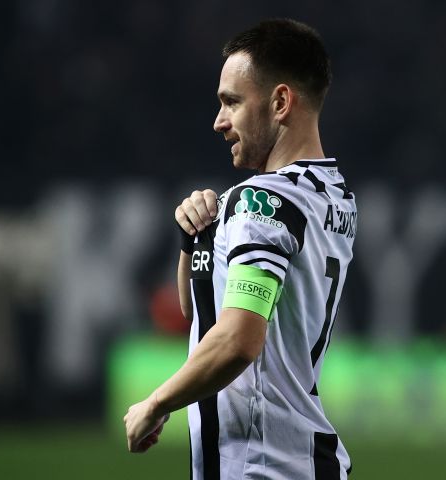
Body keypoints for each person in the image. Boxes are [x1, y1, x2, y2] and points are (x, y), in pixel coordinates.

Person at [123, 18, 356, 479]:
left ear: (280, 102)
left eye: (231, 102)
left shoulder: (261, 203)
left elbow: (237, 340)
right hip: (298, 461)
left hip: (262, 466)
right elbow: (202, 316)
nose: (219, 121)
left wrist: (156, 402)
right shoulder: (334, 197)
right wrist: (196, 240)